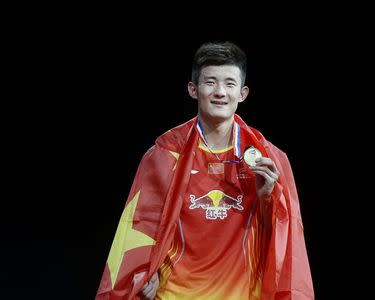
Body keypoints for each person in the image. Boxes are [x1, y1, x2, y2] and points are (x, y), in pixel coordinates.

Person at [96, 41, 314, 299]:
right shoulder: (166, 154)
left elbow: (286, 242)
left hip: (241, 293)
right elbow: (138, 226)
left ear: (242, 93)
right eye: (210, 82)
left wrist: (268, 197)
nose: (220, 92)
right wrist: (145, 269)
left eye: (229, 84)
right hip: (174, 293)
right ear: (193, 89)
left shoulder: (270, 159)